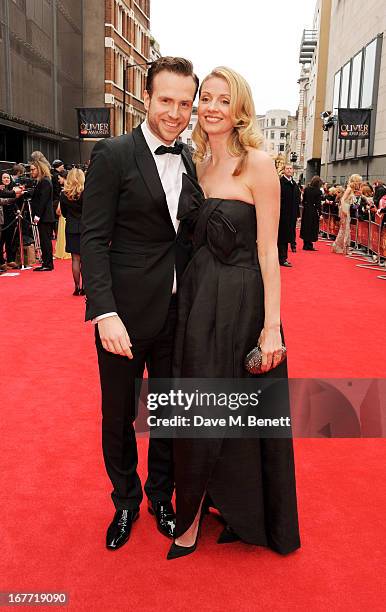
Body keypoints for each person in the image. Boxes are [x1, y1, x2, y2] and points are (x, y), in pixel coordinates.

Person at [168, 67, 300, 560]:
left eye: (225, 100)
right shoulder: (196, 165)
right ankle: (198, 506)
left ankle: (227, 510)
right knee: (196, 401)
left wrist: (271, 329)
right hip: (199, 302)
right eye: (207, 97)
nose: (213, 107)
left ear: (240, 109)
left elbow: (270, 253)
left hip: (243, 303)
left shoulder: (258, 165)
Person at [81, 56, 199, 551]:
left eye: (184, 103)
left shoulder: (190, 157)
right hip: (124, 317)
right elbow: (92, 239)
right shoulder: (113, 154)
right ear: (146, 98)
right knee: (119, 416)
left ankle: (161, 497)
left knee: (169, 414)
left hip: (179, 313)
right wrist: (104, 312)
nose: (175, 112)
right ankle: (125, 502)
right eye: (166, 100)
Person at [60, 168, 85, 294]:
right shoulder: (86, 193)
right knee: (85, 259)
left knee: (75, 259)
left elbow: (63, 213)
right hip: (85, 227)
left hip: (71, 227)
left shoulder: (64, 194)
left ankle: (76, 287)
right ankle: (85, 288)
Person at [30, 160, 54, 271]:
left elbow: (43, 200)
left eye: (33, 169)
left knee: (45, 241)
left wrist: (38, 215)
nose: (31, 172)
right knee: (44, 241)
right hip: (44, 216)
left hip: (45, 216)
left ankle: (48, 264)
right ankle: (46, 263)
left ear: (39, 169)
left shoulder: (45, 181)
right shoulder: (43, 181)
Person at [332, 174, 362, 255]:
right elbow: (342, 199)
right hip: (345, 209)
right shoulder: (349, 189)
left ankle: (340, 247)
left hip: (346, 209)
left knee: (345, 229)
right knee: (345, 229)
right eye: (359, 181)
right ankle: (342, 248)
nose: (360, 183)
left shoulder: (351, 189)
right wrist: (344, 210)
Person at [278, 164, 301, 266]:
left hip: (291, 216)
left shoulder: (294, 184)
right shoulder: (280, 182)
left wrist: (297, 214)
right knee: (282, 237)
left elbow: (297, 201)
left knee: (288, 237)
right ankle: (282, 258)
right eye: (287, 168)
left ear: (293, 171)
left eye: (290, 168)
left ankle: (283, 257)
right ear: (284, 170)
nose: (289, 170)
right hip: (281, 215)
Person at [0, 172, 19, 270]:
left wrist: (17, 209)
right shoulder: (7, 191)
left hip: (11, 217)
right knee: (1, 239)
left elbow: (15, 202)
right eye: (4, 178)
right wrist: (15, 196)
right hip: (2, 217)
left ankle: (10, 259)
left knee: (10, 239)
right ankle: (1, 261)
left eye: (8, 178)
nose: (6, 179)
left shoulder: (13, 188)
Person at [300, 175, 323, 250]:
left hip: (306, 209)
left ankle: (305, 244)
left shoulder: (307, 189)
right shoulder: (318, 191)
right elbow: (318, 204)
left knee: (306, 226)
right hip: (313, 210)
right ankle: (309, 244)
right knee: (312, 227)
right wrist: (320, 213)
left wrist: (305, 206)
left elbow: (303, 200)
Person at [54, 171, 71, 261]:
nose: (58, 180)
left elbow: (59, 209)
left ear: (64, 178)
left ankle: (63, 251)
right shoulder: (72, 189)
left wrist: (57, 210)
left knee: (63, 233)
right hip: (69, 215)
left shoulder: (64, 191)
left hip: (63, 215)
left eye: (59, 178)